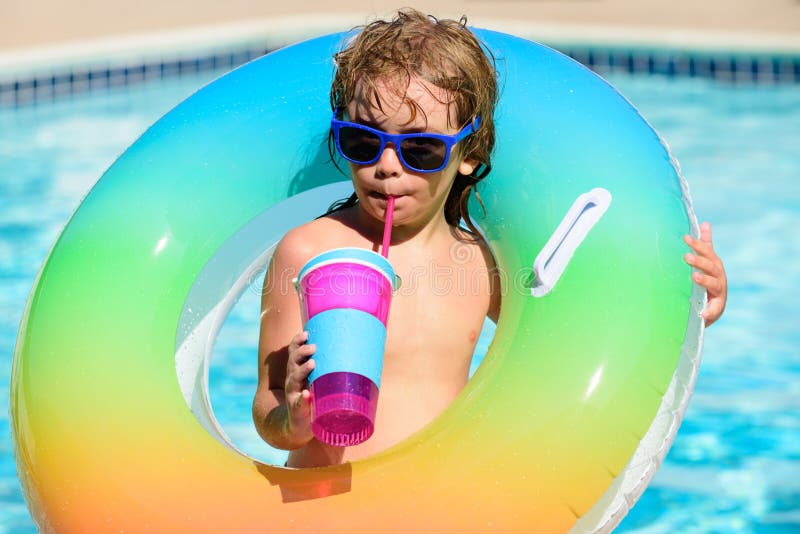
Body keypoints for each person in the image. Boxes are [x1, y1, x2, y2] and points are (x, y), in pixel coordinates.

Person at [252, 9, 728, 469]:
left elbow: (591, 327)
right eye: (362, 140)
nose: (386, 165)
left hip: (437, 505)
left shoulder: (480, 265)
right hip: (325, 509)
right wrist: (295, 418)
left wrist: (693, 294)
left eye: (420, 148)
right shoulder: (309, 252)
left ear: (468, 155)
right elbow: (267, 408)